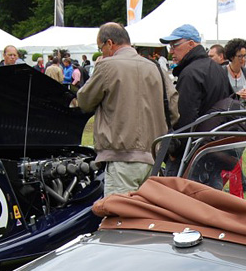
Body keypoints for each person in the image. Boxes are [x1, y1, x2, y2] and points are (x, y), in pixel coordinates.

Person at [74, 22, 178, 196]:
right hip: (153, 156)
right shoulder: (155, 67)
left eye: (101, 49)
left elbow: (84, 100)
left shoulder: (107, 66)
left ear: (109, 43)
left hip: (121, 156)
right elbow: (173, 107)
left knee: (119, 218)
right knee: (146, 218)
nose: (102, 53)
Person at [160, 24, 232, 131]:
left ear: (191, 44)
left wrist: (178, 146)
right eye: (170, 46)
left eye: (174, 45)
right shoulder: (218, 69)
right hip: (219, 138)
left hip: (200, 142)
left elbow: (184, 121)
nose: (171, 51)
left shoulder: (190, 73)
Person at [223, 38, 246, 107]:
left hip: (242, 116)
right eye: (240, 56)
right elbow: (219, 100)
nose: (243, 59)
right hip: (226, 115)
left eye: (245, 56)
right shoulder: (223, 72)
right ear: (231, 57)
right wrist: (236, 95)